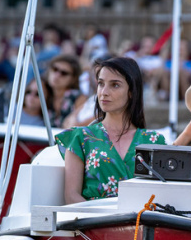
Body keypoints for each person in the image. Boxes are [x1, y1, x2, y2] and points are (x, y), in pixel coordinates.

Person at [55, 56, 165, 203]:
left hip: (142, 222)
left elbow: (165, 192)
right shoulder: (80, 138)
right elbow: (71, 196)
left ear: (131, 92)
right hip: (94, 223)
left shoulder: (153, 140)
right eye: (101, 84)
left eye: (115, 85)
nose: (104, 92)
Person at [44, 54, 87, 128]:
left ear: (73, 79)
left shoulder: (78, 97)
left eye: (64, 73)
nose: (57, 75)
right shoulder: (41, 92)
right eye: (55, 69)